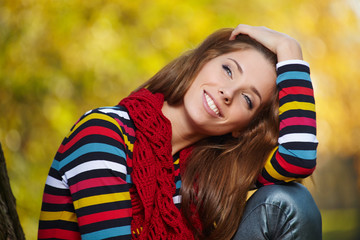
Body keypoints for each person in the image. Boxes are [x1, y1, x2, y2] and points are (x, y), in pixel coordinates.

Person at [38, 24, 320, 239]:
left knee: (288, 202)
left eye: (248, 100)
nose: (227, 92)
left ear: (242, 129)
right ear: (201, 60)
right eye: (228, 70)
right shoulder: (104, 133)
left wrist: (290, 51)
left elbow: (298, 156)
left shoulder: (211, 173)